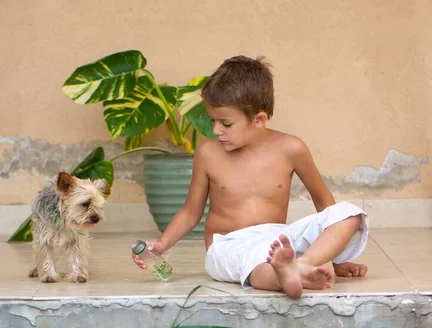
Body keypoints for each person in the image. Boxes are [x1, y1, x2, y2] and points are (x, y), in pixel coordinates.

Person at [132, 55, 369, 299]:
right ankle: (285, 274)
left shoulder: (292, 148)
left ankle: (301, 266)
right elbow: (191, 212)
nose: (216, 131)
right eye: (213, 120)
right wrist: (161, 245)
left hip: (277, 241)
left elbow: (324, 205)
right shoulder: (208, 154)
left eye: (226, 123)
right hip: (227, 246)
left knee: (349, 213)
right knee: (257, 267)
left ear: (259, 119)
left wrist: (337, 259)